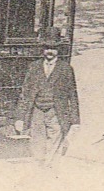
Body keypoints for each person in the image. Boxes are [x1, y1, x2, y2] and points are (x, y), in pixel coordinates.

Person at [13, 28, 80, 166]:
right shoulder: (34, 67)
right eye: (47, 48)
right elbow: (25, 93)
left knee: (55, 140)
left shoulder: (66, 69)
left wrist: (75, 120)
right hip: (38, 110)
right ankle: (40, 166)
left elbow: (72, 95)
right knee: (37, 141)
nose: (50, 51)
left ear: (58, 50)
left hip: (56, 111)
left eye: (53, 48)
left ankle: (50, 168)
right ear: (43, 49)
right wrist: (19, 117)